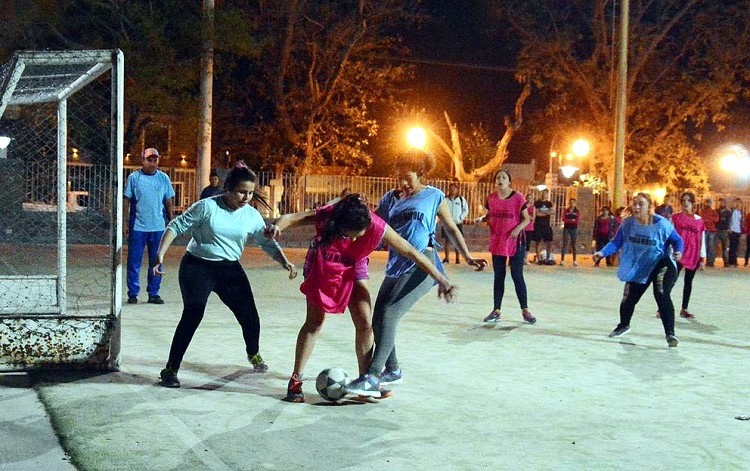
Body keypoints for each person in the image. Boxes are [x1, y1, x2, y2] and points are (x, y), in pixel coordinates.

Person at [269, 194, 455, 403]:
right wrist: (278, 227)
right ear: (340, 225)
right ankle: (296, 380)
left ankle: (366, 382)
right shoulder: (329, 217)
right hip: (324, 262)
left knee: (365, 322)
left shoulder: (376, 226)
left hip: (354, 264)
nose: (356, 239)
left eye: (361, 235)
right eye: (351, 236)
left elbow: (411, 251)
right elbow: (291, 217)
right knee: (315, 322)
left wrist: (440, 278)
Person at [345, 148, 488, 397]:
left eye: (407, 177)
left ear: (421, 174)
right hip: (396, 265)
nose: (402, 183)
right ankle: (393, 370)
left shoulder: (434, 196)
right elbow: (371, 227)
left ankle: (373, 376)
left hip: (424, 263)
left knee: (390, 314)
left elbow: (452, 229)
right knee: (377, 319)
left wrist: (466, 256)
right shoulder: (391, 198)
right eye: (399, 177)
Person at [153, 164, 298, 388]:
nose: (246, 197)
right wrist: (160, 255)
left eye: (250, 193)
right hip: (197, 267)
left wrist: (284, 261)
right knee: (193, 313)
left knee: (250, 316)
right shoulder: (207, 207)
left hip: (229, 269)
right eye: (241, 191)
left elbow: (265, 243)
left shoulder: (251, 215)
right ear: (228, 188)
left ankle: (253, 352)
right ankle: (170, 369)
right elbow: (175, 225)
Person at [593, 192, 684, 347]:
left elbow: (677, 240)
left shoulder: (662, 224)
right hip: (641, 265)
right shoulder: (628, 224)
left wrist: (679, 251)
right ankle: (623, 325)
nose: (636, 207)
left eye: (641, 204)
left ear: (650, 207)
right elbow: (616, 242)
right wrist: (602, 253)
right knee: (628, 298)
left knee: (661, 292)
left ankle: (670, 334)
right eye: (634, 203)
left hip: (662, 263)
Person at [480, 169, 536, 325]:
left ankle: (525, 310)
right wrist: (484, 219)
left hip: (515, 241)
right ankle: (496, 310)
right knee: (499, 275)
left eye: (503, 177)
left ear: (509, 181)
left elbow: (526, 219)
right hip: (498, 240)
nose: (500, 180)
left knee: (517, 275)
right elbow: (489, 215)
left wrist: (517, 229)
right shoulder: (490, 198)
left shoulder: (518, 197)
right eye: (498, 177)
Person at [123, 148, 175, 305]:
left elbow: (168, 200)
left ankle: (153, 293)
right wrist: (125, 223)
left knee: (157, 260)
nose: (152, 163)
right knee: (134, 261)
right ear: (142, 160)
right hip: (138, 226)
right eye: (149, 160)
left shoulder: (163, 178)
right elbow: (126, 200)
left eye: (155, 160)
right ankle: (133, 293)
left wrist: (171, 221)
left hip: (158, 227)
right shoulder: (134, 177)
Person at [671, 192, 705, 319]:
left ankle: (684, 308)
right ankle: (661, 308)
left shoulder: (699, 221)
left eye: (688, 200)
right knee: (671, 280)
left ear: (693, 203)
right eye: (683, 200)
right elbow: (670, 236)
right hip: (679, 254)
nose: (685, 203)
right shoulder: (676, 218)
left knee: (688, 282)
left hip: (693, 255)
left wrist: (702, 257)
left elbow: (702, 239)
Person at [441, 182, 469, 264]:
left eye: (454, 188)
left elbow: (466, 210)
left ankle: (457, 259)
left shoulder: (461, 199)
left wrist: (461, 217)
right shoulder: (445, 199)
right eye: (451, 188)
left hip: (458, 223)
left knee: (458, 241)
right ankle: (446, 258)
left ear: (457, 189)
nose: (452, 190)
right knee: (447, 241)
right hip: (447, 223)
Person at [533, 189, 554, 264]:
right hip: (538, 224)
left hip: (547, 225)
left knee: (549, 242)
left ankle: (548, 259)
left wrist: (543, 212)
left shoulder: (549, 203)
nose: (544, 194)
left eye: (545, 193)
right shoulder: (537, 203)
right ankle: (539, 259)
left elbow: (552, 211)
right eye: (543, 193)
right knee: (538, 242)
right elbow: (537, 214)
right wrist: (547, 212)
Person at [559, 198, 580, 266]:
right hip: (567, 228)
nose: (572, 204)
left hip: (574, 229)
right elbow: (563, 219)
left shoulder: (577, 211)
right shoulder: (566, 210)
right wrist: (572, 220)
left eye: (573, 202)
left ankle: (574, 260)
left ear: (575, 203)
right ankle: (562, 260)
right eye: (570, 202)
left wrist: (569, 220)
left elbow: (577, 221)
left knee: (574, 244)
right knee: (565, 243)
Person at [699, 198, 719, 267]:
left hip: (711, 230)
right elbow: (701, 219)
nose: (708, 204)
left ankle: (710, 261)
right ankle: (701, 261)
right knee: (703, 246)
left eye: (709, 203)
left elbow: (717, 219)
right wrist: (709, 220)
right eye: (707, 202)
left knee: (710, 246)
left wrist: (708, 220)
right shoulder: (702, 211)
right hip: (704, 230)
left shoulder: (713, 211)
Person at [716, 198, 731, 266]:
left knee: (725, 247)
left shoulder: (728, 212)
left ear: (725, 203)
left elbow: (730, 221)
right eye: (721, 202)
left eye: (723, 202)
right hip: (717, 230)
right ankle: (710, 261)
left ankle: (726, 262)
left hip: (725, 230)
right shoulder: (716, 211)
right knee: (714, 246)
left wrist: (729, 228)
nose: (722, 204)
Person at [728, 198, 743, 267]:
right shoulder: (731, 211)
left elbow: (741, 222)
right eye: (736, 203)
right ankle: (731, 262)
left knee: (736, 247)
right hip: (732, 231)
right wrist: (729, 228)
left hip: (738, 231)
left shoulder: (741, 212)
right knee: (732, 247)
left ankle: (734, 261)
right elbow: (728, 220)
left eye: (739, 203)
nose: (738, 204)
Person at [523, 193, 536, 265]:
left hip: (530, 227)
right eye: (528, 197)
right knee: (522, 243)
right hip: (523, 227)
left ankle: (525, 258)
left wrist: (527, 217)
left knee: (528, 243)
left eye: (531, 198)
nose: (529, 199)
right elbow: (521, 216)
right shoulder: (523, 206)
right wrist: (528, 217)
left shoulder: (533, 207)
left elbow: (533, 218)